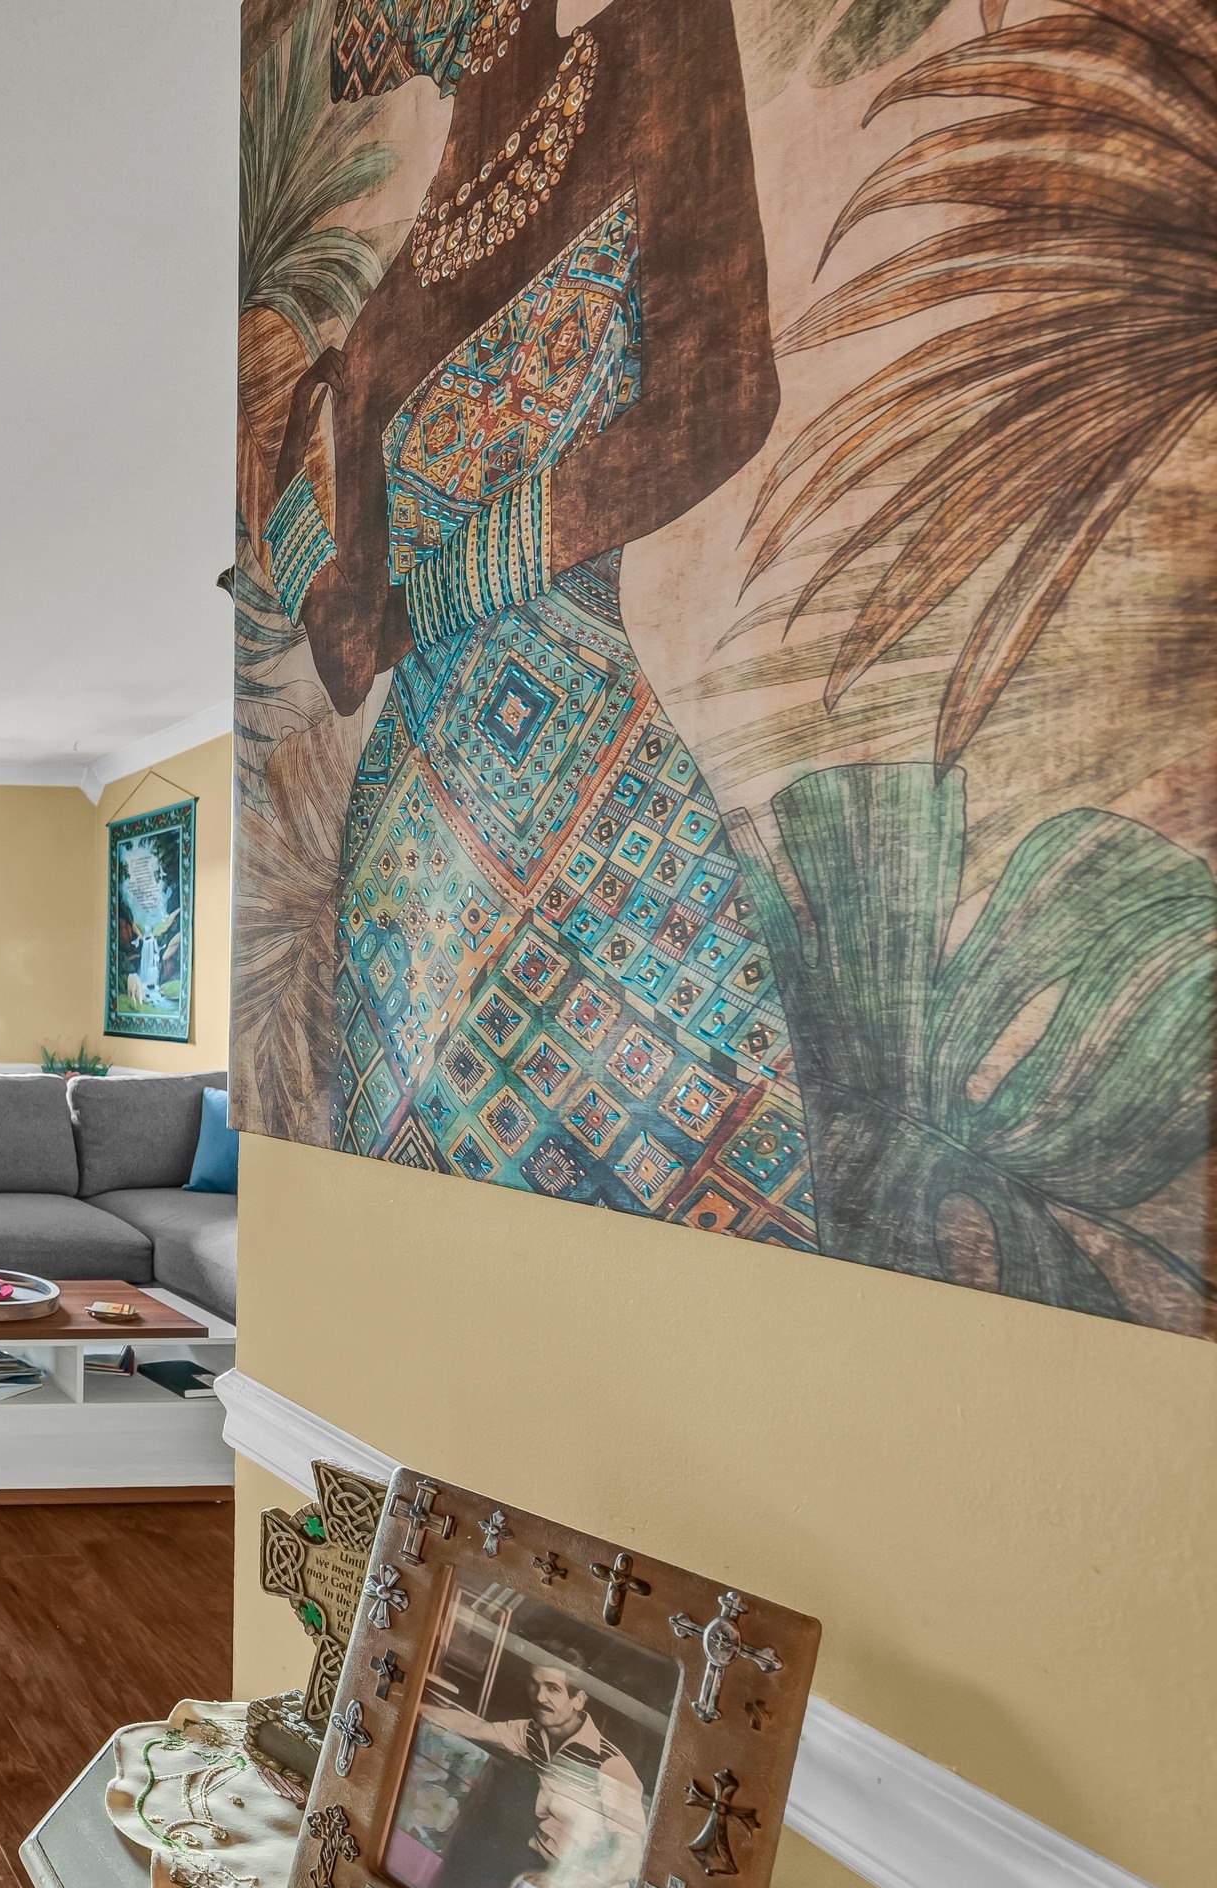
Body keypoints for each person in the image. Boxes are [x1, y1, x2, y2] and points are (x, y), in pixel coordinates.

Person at [261, 0, 813, 1243]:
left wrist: (478, 565)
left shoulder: (658, 50)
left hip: (601, 789)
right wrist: (282, 511)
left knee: (698, 1192)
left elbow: (723, 390)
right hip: (412, 852)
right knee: (421, 1240)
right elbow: (353, 660)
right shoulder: (388, 310)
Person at [420, 1640, 648, 1888]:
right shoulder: (535, 1734)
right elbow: (476, 1728)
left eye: (553, 1688)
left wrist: (559, 1881)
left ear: (578, 1700)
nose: (539, 1697)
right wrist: (411, 1704)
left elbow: (631, 1858)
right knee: (466, 1872)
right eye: (535, 1684)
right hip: (537, 1862)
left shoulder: (608, 1764)